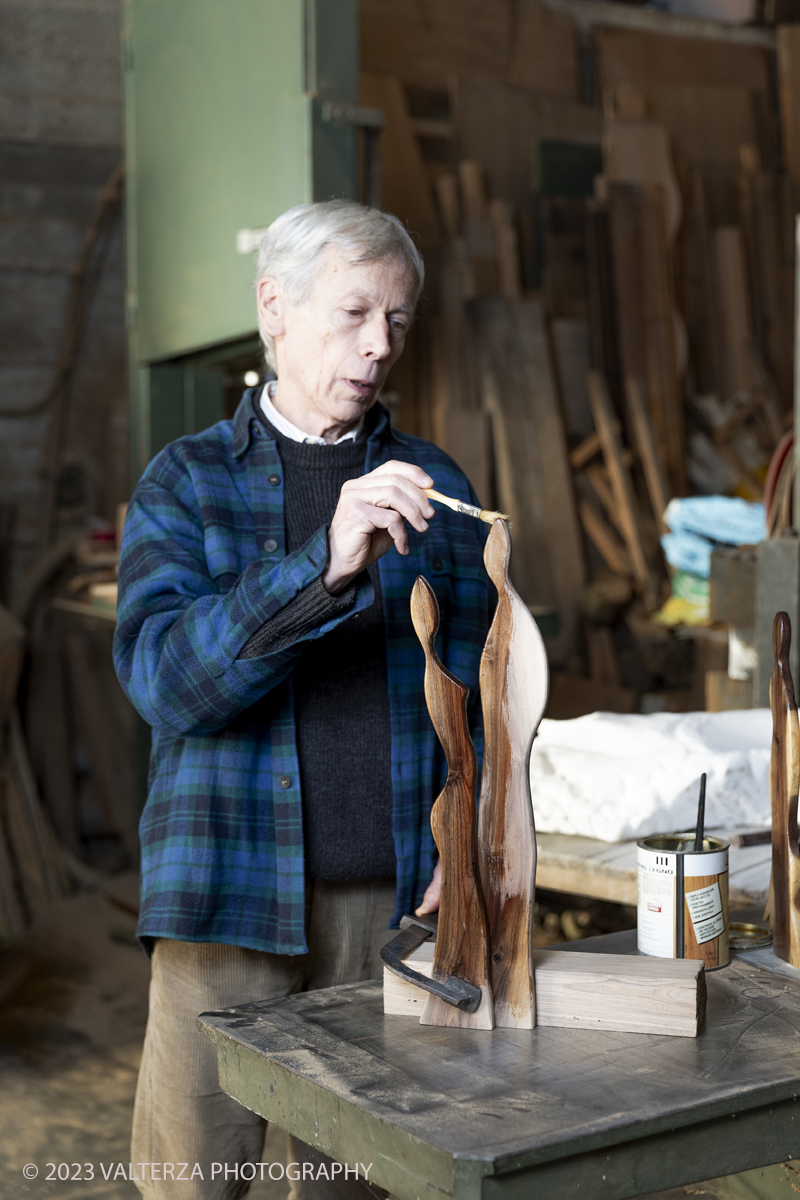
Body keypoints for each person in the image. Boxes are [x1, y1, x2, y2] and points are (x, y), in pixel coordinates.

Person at [113, 200, 491, 1199]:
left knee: (356, 1187)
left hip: (388, 914)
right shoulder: (184, 483)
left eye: (398, 322)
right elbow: (166, 685)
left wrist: (470, 838)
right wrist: (321, 564)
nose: (379, 346)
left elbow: (481, 701)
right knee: (195, 1181)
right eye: (354, 312)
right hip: (227, 906)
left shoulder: (438, 488)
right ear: (273, 308)